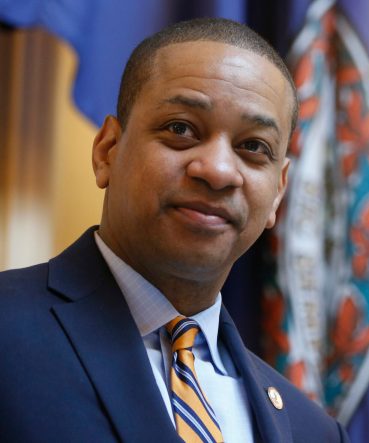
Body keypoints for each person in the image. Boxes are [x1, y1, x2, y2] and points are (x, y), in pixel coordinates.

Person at [0, 18, 349, 442]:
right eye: (180, 129)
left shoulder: (316, 431)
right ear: (107, 151)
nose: (219, 171)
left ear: (278, 191)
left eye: (253, 147)